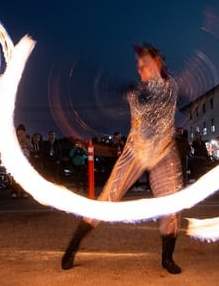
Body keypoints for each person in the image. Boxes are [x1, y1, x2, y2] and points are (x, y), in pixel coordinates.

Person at [61, 44, 184, 274]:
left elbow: (160, 96)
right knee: (107, 198)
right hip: (135, 151)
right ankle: (73, 246)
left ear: (157, 62)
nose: (140, 68)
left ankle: (167, 258)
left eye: (144, 63)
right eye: (138, 65)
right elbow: (140, 99)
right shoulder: (137, 92)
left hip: (163, 152)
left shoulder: (170, 87)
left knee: (172, 204)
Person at [11, 124, 30, 198]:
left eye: (22, 132)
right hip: (16, 160)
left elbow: (31, 149)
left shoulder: (27, 139)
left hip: (25, 161)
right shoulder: (13, 139)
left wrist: (26, 143)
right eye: (19, 131)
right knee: (15, 177)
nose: (21, 133)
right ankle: (14, 192)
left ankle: (23, 192)